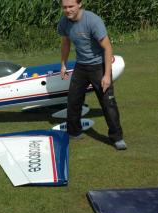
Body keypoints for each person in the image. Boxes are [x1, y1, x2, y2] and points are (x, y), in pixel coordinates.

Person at [57, 0, 127, 150]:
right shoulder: (64, 22)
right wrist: (63, 64)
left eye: (71, 6)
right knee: (73, 100)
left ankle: (117, 138)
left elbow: (107, 48)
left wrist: (107, 75)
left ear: (80, 4)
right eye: (64, 7)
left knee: (108, 102)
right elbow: (65, 43)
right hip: (81, 66)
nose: (67, 10)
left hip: (98, 66)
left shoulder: (93, 21)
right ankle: (74, 132)